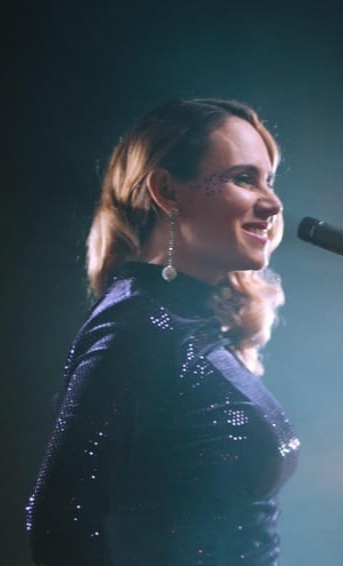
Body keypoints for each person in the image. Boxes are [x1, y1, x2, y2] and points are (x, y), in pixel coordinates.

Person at [26, 98, 300, 565]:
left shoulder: (187, 323)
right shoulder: (137, 327)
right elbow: (60, 519)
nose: (272, 203)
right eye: (243, 178)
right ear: (168, 191)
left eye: (269, 181)